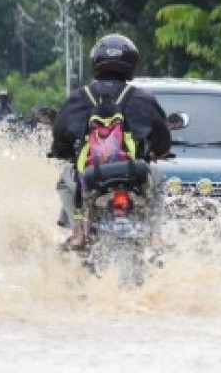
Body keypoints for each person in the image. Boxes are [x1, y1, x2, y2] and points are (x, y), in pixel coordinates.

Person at [50, 33, 171, 250]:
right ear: (131, 63)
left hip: (90, 175)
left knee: (64, 180)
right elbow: (163, 142)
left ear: (96, 62)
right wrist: (157, 152)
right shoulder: (144, 99)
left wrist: (61, 150)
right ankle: (155, 237)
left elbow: (59, 137)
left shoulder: (79, 97)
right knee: (159, 180)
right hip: (134, 174)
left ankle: (78, 233)